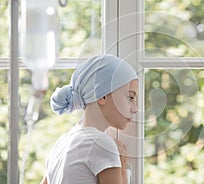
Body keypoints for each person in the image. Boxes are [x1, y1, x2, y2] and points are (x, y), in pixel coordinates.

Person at [40, 54, 138, 184]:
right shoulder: (101, 143)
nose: (135, 108)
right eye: (130, 97)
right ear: (102, 96)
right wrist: (122, 170)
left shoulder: (61, 142)